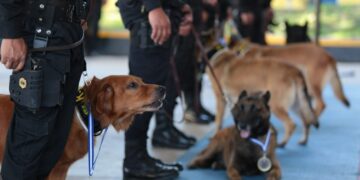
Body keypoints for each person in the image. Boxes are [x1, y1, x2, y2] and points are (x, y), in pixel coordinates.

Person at [0, 0, 86, 179]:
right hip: (41, 34)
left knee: (51, 148)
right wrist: (11, 33)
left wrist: (80, 11)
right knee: (28, 151)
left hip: (66, 36)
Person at [117, 0, 194, 179]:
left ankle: (138, 156)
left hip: (160, 10)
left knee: (154, 83)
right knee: (143, 94)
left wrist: (179, 5)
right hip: (148, 12)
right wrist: (154, 7)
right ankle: (134, 160)